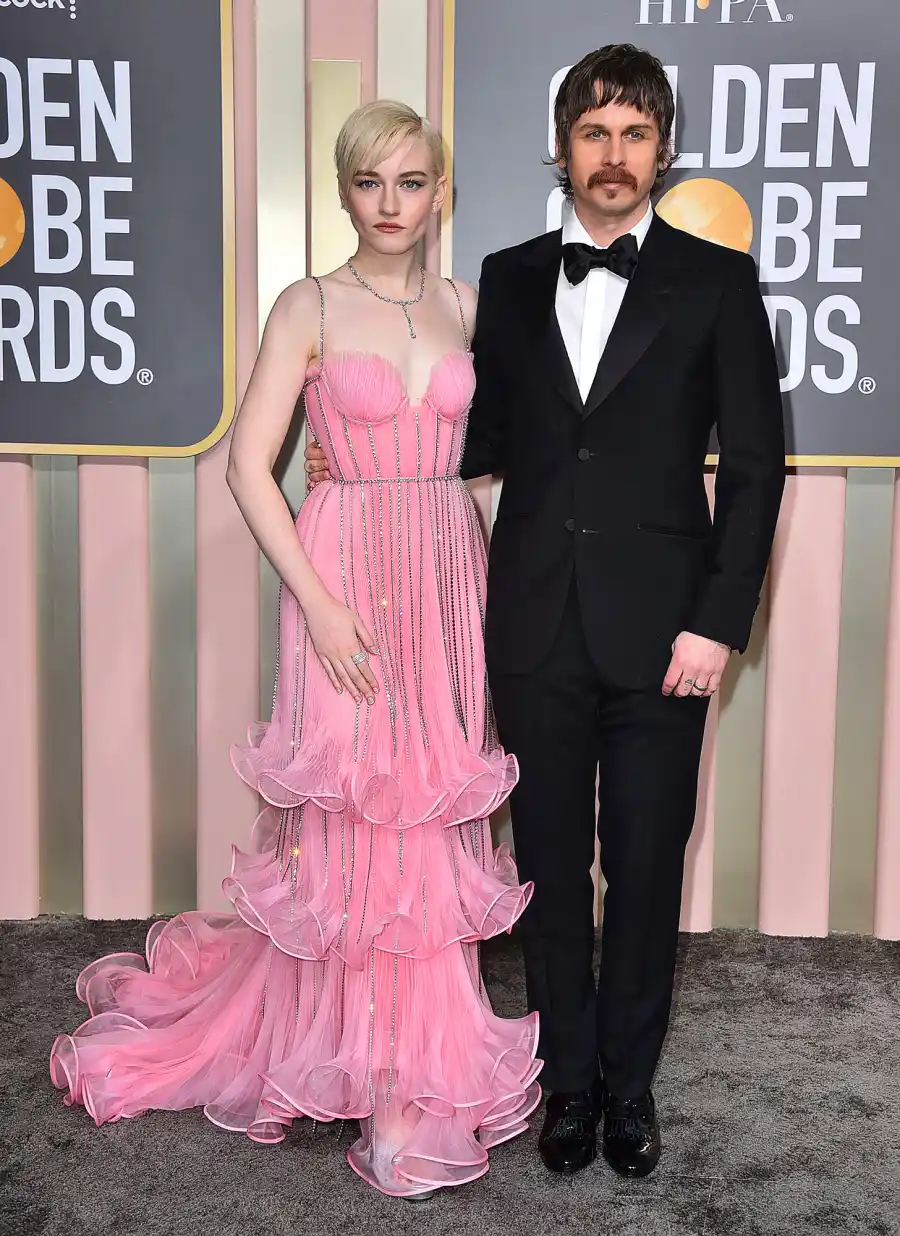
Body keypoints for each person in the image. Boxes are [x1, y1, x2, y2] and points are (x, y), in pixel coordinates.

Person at [305, 45, 786, 1180]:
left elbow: (756, 468)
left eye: (634, 134)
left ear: (662, 150)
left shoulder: (718, 282)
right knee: (552, 869)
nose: (613, 156)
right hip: (527, 625)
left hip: (667, 634)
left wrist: (718, 621)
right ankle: (568, 1083)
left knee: (648, 865)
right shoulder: (509, 277)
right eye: (593, 133)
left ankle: (631, 1086)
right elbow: (481, 437)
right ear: (563, 149)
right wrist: (356, 458)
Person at [49, 100, 541, 1200]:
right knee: (356, 811)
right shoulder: (307, 304)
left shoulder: (469, 306)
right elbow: (246, 464)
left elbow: (506, 446)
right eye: (370, 182)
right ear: (343, 191)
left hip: (444, 570)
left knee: (427, 804)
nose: (391, 203)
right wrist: (316, 605)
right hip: (342, 573)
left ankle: (414, 1059)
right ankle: (367, 1062)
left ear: (441, 191)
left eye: (411, 181)